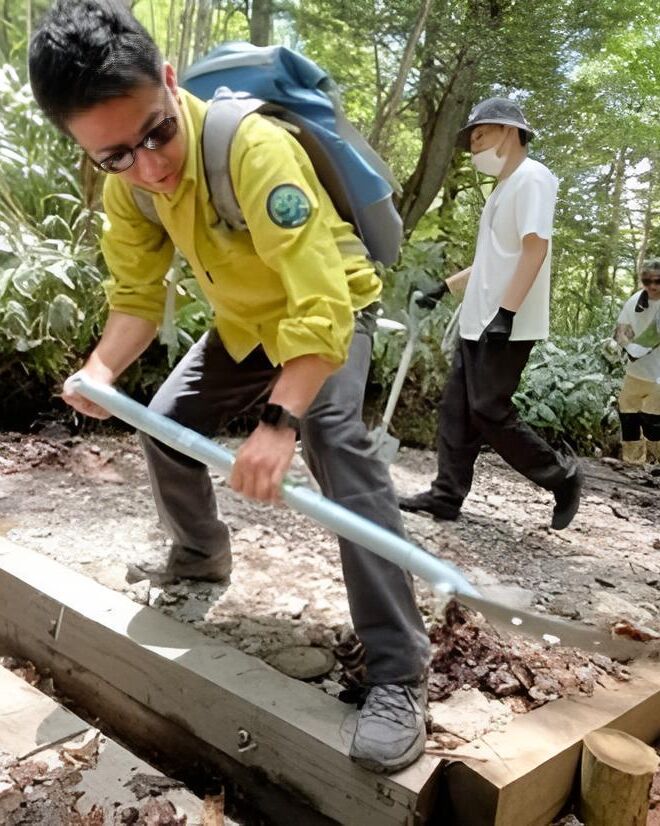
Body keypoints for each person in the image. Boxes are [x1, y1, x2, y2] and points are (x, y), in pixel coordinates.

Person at [29, 0, 430, 773]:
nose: (148, 166)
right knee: (164, 421)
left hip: (331, 311)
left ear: (170, 83)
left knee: (336, 444)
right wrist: (103, 370)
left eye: (156, 133)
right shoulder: (132, 185)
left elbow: (319, 308)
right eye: (115, 156)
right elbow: (137, 302)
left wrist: (280, 424)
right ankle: (202, 552)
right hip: (247, 323)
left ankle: (399, 672)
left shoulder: (254, 148)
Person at [399, 97, 582, 530]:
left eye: (480, 134)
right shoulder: (503, 188)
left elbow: (536, 247)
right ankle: (445, 496)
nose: (475, 145)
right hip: (478, 317)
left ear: (508, 131)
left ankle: (561, 476)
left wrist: (507, 311)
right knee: (458, 410)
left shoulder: (534, 179)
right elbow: (492, 258)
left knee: (488, 408)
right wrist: (444, 288)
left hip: (505, 322)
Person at [613, 258, 660, 464]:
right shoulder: (634, 301)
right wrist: (627, 345)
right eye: (647, 280)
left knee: (653, 420)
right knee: (628, 415)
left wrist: (635, 348)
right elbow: (621, 331)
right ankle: (632, 464)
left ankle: (656, 463)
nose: (653, 286)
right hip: (636, 373)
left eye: (658, 281)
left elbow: (652, 336)